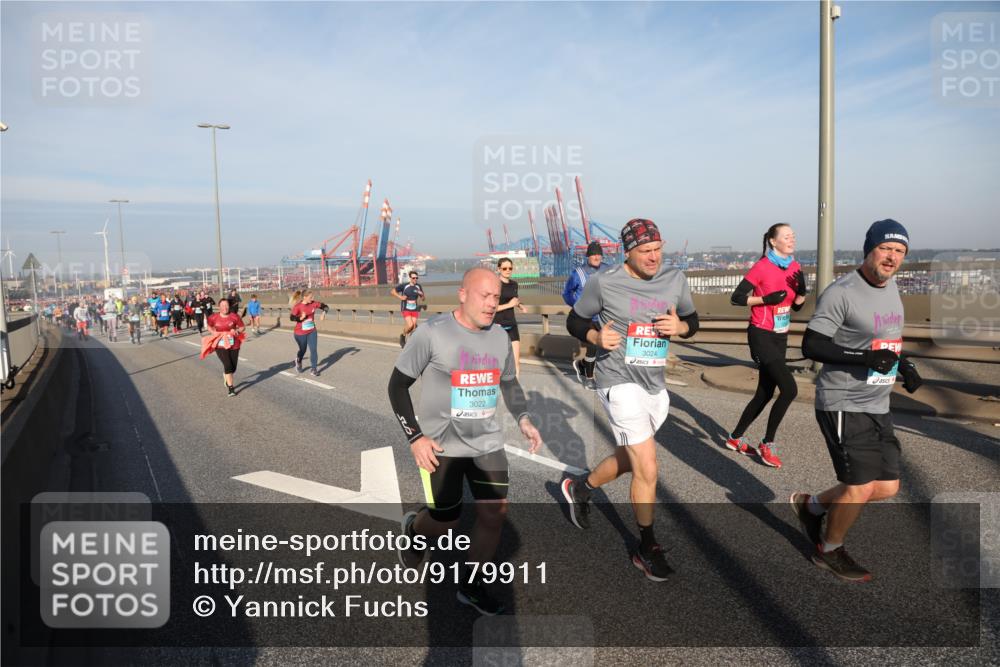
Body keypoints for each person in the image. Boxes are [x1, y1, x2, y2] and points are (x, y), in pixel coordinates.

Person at [388, 267, 543, 615]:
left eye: (497, 298)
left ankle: (470, 586)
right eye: (484, 296)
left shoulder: (500, 337)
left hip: (486, 442)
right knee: (446, 520)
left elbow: (509, 383)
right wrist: (415, 437)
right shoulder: (431, 333)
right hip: (441, 445)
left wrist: (524, 418)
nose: (492, 304)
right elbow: (396, 386)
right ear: (462, 294)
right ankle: (414, 528)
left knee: (494, 515)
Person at [560, 218, 700, 582]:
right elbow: (574, 321)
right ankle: (646, 546)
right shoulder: (603, 283)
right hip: (617, 381)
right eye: (645, 251)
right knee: (648, 466)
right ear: (628, 252)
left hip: (654, 385)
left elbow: (692, 319)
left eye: (657, 249)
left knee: (630, 459)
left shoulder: (674, 279)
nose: (654, 257)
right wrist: (594, 335)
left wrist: (680, 328)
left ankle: (580, 488)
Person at [791, 219, 923, 582]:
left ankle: (812, 506)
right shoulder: (842, 292)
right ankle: (829, 550)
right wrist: (864, 359)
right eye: (885, 249)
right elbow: (812, 345)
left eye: (899, 252)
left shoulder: (892, 287)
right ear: (869, 250)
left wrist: (904, 364)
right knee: (860, 487)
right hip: (843, 401)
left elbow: (884, 338)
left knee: (886, 487)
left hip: (878, 402)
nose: (892, 257)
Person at [724, 223, 809, 468]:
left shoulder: (794, 266)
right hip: (760, 335)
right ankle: (767, 443)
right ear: (773, 241)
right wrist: (764, 300)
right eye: (786, 236)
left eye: (793, 235)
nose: (791, 239)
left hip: (780, 336)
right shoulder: (762, 266)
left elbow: (797, 306)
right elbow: (736, 298)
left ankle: (735, 438)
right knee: (789, 389)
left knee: (765, 392)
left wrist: (802, 292)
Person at [563, 241, 610, 387]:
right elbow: (566, 293)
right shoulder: (578, 273)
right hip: (587, 317)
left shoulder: (608, 270)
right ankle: (589, 378)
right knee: (592, 346)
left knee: (606, 347)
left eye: (598, 254)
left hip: (604, 316)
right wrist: (577, 306)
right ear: (587, 256)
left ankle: (582, 364)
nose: (596, 256)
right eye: (593, 254)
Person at [205, 298, 246, 397]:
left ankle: (226, 375)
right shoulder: (213, 317)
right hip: (220, 344)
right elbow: (209, 326)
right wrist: (213, 332)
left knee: (233, 367)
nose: (225, 307)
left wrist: (237, 331)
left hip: (234, 344)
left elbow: (242, 327)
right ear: (219, 307)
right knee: (227, 365)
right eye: (223, 305)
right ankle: (231, 388)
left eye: (226, 305)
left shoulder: (234, 316)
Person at [494, 258, 527, 377]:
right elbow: (492, 308)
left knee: (516, 361)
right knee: (499, 362)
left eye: (510, 268)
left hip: (512, 324)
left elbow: (515, 300)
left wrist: (520, 305)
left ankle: (516, 390)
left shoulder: (514, 284)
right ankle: (496, 389)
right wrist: (509, 305)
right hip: (497, 325)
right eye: (504, 268)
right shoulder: (495, 285)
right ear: (498, 269)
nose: (508, 270)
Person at [288, 290, 329, 376]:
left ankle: (313, 369)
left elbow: (325, 306)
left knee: (313, 350)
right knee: (303, 350)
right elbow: (291, 318)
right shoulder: (298, 306)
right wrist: (300, 318)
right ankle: (298, 360)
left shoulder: (313, 303)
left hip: (312, 330)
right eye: (311, 297)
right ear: (304, 297)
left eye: (313, 297)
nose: (312, 298)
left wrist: (324, 313)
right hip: (300, 332)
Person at [392, 271, 425, 348]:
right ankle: (403, 336)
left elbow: (423, 299)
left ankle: (410, 342)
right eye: (413, 278)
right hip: (406, 308)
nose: (415, 279)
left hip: (414, 308)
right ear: (410, 278)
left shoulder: (418, 286)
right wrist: (400, 297)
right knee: (410, 325)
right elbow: (392, 291)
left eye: (416, 278)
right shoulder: (404, 286)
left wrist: (422, 295)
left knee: (413, 327)